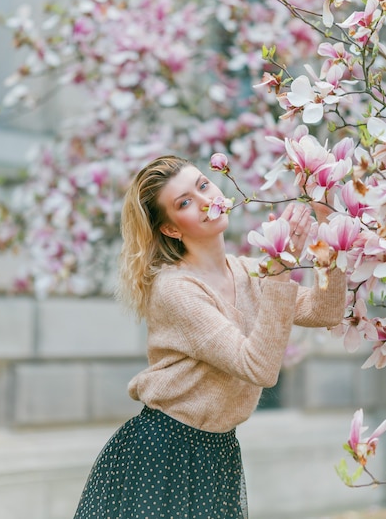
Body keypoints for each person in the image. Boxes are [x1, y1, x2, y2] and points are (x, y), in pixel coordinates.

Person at [73, 154, 346, 519]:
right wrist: (280, 268)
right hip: (162, 452)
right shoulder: (176, 289)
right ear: (171, 228)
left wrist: (328, 235)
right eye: (184, 202)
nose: (204, 200)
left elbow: (325, 310)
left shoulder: (250, 270)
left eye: (203, 185)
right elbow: (259, 367)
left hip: (217, 452)